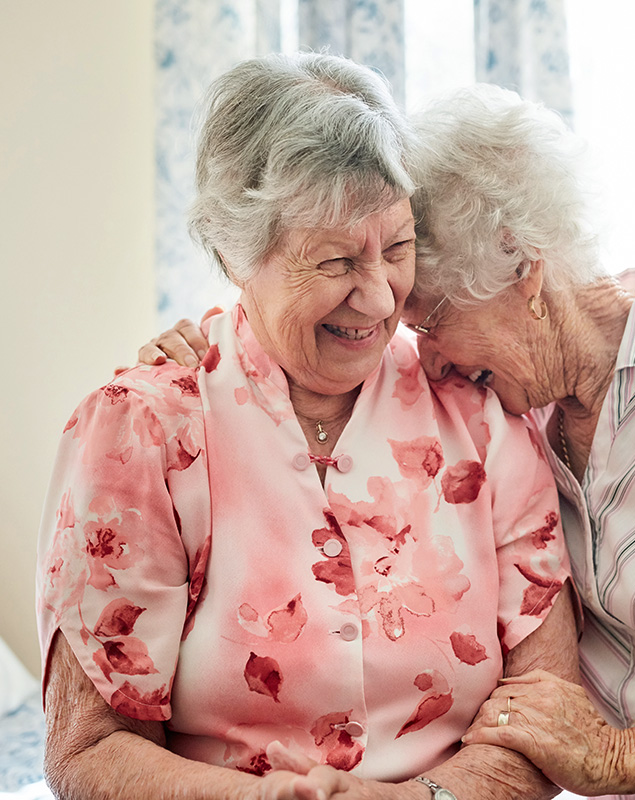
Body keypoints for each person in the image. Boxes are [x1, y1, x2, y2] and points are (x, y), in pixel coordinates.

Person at [149, 82, 635, 800]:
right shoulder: (516, 415)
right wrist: (210, 350)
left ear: (523, 270)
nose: (426, 363)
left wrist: (623, 757)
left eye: (430, 324)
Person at [35, 55, 578, 800]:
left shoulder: (478, 415)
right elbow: (90, 749)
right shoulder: (143, 433)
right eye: (335, 261)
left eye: (397, 248)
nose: (380, 297)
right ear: (237, 253)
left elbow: (548, 713)